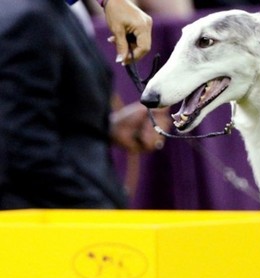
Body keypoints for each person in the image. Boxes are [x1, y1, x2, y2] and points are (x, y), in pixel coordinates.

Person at [0, 0, 163, 209]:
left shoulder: (51, 10)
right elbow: (22, 152)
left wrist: (104, 128)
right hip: (53, 224)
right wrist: (99, 213)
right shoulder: (28, 17)